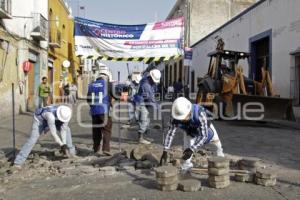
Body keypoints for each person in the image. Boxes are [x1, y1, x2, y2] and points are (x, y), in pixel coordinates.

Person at [160, 97, 224, 171]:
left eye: (183, 118)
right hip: (190, 131)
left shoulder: (200, 114)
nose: (182, 120)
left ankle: (222, 163)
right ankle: (187, 166)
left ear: (189, 111)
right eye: (180, 119)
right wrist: (165, 150)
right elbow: (170, 133)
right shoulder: (175, 117)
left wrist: (192, 150)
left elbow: (204, 136)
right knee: (186, 149)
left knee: (217, 146)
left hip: (206, 129)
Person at [87, 66, 113, 156]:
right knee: (106, 129)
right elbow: (115, 95)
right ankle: (106, 149)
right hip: (104, 110)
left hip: (94, 111)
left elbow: (88, 99)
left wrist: (93, 106)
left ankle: (96, 148)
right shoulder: (108, 84)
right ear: (107, 76)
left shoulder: (91, 85)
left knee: (96, 130)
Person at [133, 69, 161, 144]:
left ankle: (144, 136)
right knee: (144, 120)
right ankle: (140, 138)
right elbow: (150, 99)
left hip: (143, 102)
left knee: (147, 120)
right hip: (141, 103)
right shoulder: (146, 85)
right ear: (151, 78)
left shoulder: (146, 81)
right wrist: (158, 107)